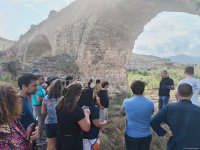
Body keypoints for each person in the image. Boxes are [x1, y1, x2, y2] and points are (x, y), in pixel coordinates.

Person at [151, 83, 200, 150]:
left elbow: (153, 122)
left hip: (175, 145)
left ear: (177, 94)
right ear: (192, 94)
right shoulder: (198, 110)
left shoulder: (169, 108)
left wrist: (164, 133)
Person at [0, 84, 37, 149]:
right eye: (15, 99)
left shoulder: (12, 121)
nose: (18, 102)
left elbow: (24, 143)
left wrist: (29, 135)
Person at [56, 82, 91, 150]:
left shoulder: (59, 105)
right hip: (73, 141)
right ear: (77, 95)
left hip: (61, 138)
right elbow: (86, 128)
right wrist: (87, 114)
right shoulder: (77, 110)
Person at [123, 80, 154, 150]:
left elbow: (124, 112)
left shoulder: (126, 102)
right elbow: (151, 113)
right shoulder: (150, 103)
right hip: (146, 134)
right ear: (143, 89)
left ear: (132, 89)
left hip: (131, 135)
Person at [42, 79, 64, 150]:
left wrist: (50, 112)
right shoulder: (63, 99)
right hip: (60, 123)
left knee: (50, 146)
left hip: (48, 123)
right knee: (60, 145)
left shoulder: (46, 98)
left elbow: (42, 112)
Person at [31, 74, 46, 145]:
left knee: (40, 122)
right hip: (39, 106)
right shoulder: (38, 88)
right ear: (37, 79)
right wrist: (47, 100)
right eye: (41, 78)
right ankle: (39, 140)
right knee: (41, 122)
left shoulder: (39, 87)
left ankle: (39, 138)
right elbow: (39, 99)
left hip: (36, 105)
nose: (43, 79)